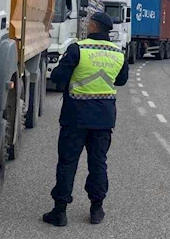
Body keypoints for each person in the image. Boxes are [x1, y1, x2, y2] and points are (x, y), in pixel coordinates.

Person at [42, 12, 129, 226]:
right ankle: (97, 209)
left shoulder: (78, 48)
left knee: (67, 163)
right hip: (104, 119)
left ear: (92, 26)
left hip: (75, 118)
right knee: (98, 163)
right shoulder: (118, 52)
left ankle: (60, 212)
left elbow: (58, 78)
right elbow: (122, 80)